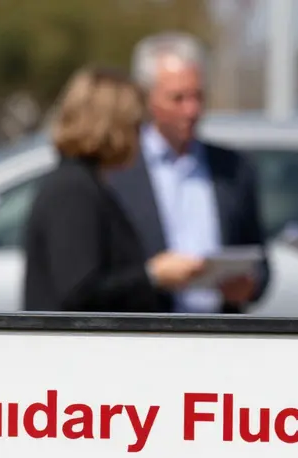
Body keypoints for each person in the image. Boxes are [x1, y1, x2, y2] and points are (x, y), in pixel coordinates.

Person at [107, 32, 270, 314]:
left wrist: (250, 284)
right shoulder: (118, 170)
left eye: (198, 96)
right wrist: (154, 275)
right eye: (178, 98)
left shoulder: (233, 167)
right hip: (145, 336)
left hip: (220, 337)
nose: (192, 110)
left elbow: (260, 261)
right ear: (148, 99)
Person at [23, 65, 205, 312]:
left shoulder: (90, 183)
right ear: (113, 126)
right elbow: (79, 291)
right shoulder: (73, 190)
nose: (140, 137)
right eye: (136, 125)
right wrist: (152, 275)